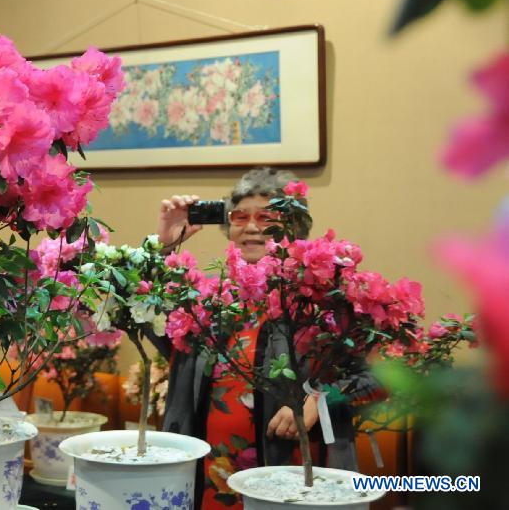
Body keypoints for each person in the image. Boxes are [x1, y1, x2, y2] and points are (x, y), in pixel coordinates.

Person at [156, 167, 379, 509]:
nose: (252, 226)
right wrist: (167, 245)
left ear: (294, 228)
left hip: (292, 480)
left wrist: (318, 401)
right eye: (240, 216)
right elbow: (159, 335)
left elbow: (374, 379)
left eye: (267, 216)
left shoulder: (321, 301)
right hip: (210, 481)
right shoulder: (211, 299)